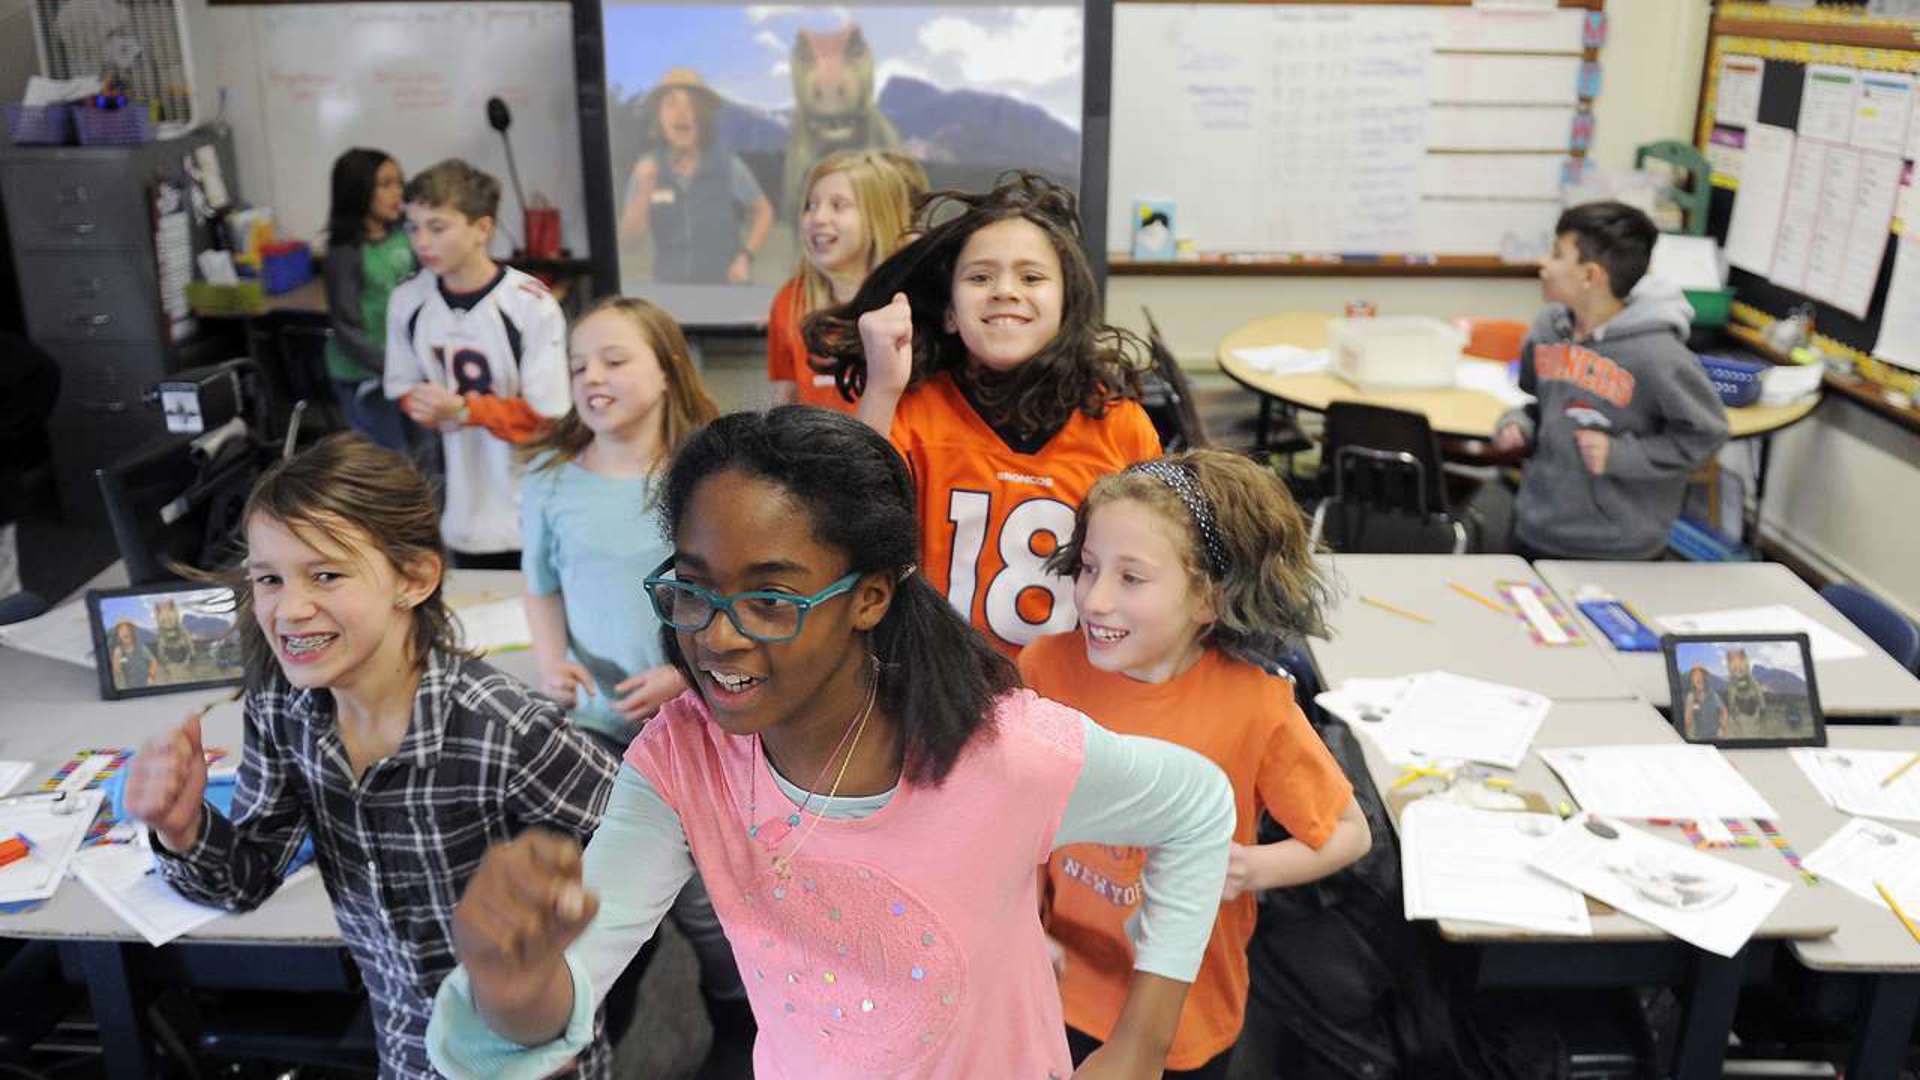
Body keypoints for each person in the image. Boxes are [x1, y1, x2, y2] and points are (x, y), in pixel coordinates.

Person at [426, 407, 1235, 1079]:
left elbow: (1200, 807)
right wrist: (508, 978)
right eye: (693, 590)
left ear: (870, 598)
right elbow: (565, 989)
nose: (718, 635)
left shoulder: (1007, 753)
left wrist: (1141, 1041)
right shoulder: (684, 761)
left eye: (770, 600)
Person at [122, 434, 619, 1079]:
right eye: (269, 579)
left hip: (529, 1059)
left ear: (413, 579)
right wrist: (182, 829)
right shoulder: (283, 710)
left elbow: (648, 848)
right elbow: (246, 880)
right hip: (407, 1051)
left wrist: (559, 979)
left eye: (325, 573)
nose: (289, 609)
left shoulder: (501, 725)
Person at [1024, 449, 1372, 1078]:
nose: (1095, 599)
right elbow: (1009, 826)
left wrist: (1251, 867)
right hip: (1052, 984)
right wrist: (1018, 926)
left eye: (1132, 579)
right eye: (1090, 567)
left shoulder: (1256, 708)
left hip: (1187, 1014)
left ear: (1208, 600)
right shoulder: (1043, 670)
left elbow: (1351, 832)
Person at [518, 296, 753, 1062]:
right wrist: (551, 658)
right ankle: (593, 1032)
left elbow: (736, 601)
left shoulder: (708, 476)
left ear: (666, 369)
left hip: (698, 714)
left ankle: (736, 1022)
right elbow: (541, 584)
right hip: (593, 726)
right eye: (579, 364)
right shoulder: (550, 478)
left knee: (702, 899)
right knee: (605, 887)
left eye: (614, 359)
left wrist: (682, 678)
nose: (592, 377)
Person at [807, 173, 1161, 654]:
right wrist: (882, 388)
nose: (1005, 291)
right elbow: (846, 535)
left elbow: (1149, 574)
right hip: (932, 685)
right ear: (950, 313)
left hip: (1070, 700)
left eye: (1032, 277)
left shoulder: (1119, 425)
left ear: (1067, 305)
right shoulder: (910, 409)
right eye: (979, 277)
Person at [1493, 201, 1728, 561]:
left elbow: (1704, 434)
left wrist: (1623, 455)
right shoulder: (1546, 330)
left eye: (1557, 255)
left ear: (1590, 276)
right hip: (1536, 528)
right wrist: (1519, 423)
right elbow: (1545, 408)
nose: (1544, 265)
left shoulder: (1658, 355)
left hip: (1618, 547)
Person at [384, 159, 571, 569]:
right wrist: (423, 407)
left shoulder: (530, 304)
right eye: (413, 228)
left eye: (438, 227)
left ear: (482, 229)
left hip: (528, 500)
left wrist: (465, 410)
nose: (422, 242)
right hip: (459, 505)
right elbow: (401, 388)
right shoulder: (408, 301)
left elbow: (547, 417)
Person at [767, 150, 926, 412]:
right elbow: (784, 403)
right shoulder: (790, 299)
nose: (817, 218)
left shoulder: (916, 300)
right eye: (811, 205)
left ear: (878, 217)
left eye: (838, 205)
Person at [619, 68, 774, 285]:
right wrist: (644, 190)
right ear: (659, 117)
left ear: (704, 117)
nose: (682, 113)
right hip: (670, 293)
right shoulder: (646, 168)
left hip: (726, 290)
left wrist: (746, 257)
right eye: (671, 104)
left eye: (692, 105)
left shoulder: (728, 165)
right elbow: (629, 243)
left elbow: (763, 211)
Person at [323, 148, 416, 452]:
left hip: (409, 370)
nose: (397, 193)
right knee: (391, 460)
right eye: (385, 184)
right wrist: (393, 365)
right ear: (358, 190)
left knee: (425, 455)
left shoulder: (407, 235)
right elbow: (347, 328)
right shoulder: (346, 252)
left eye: (399, 183)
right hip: (367, 375)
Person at [1680, 664, 1726, 741]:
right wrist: (1690, 705)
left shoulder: (1713, 695)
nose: (1698, 677)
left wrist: (1722, 728)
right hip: (1700, 739)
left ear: (1704, 677)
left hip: (1716, 738)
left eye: (1700, 674)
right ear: (1692, 680)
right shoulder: (1691, 697)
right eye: (1695, 675)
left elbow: (1724, 711)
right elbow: (1688, 722)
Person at [109, 619, 157, 690]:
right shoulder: (118, 651)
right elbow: (116, 671)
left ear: (132, 632)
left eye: (128, 629)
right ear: (118, 635)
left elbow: (153, 661)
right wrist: (116, 658)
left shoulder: (141, 647)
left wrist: (151, 676)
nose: (125, 632)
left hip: (146, 685)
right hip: (129, 688)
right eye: (121, 630)